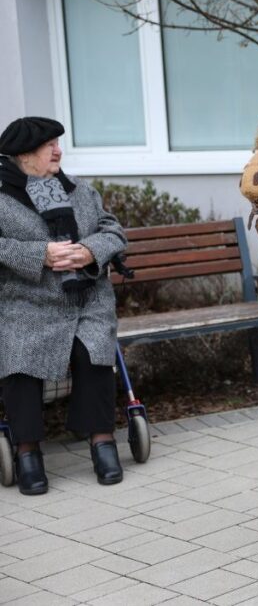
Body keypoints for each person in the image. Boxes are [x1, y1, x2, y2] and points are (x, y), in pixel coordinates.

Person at [0, 117, 128, 494]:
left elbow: (113, 231)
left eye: (58, 143)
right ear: (24, 154)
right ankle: (27, 451)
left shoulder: (79, 190)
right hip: (26, 302)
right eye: (50, 145)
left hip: (86, 299)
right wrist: (40, 254)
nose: (58, 151)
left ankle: (102, 441)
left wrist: (89, 251)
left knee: (92, 351)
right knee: (20, 357)